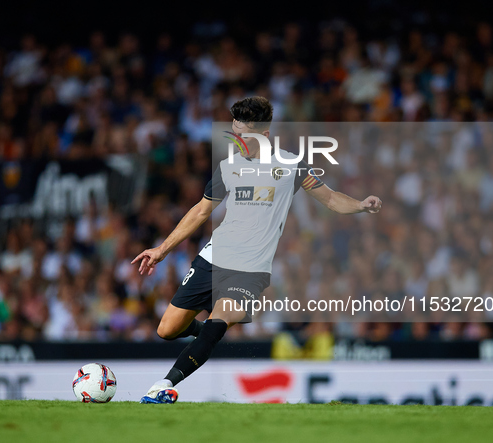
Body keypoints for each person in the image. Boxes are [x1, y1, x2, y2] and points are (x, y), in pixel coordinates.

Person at [131, 96, 382, 403]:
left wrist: (360, 205)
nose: (235, 139)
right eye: (234, 132)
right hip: (212, 258)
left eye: (242, 134)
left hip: (250, 269)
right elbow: (200, 211)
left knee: (217, 322)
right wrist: (163, 249)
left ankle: (165, 386)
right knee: (167, 330)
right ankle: (210, 336)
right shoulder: (229, 166)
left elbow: (330, 199)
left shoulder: (291, 164)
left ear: (262, 135)